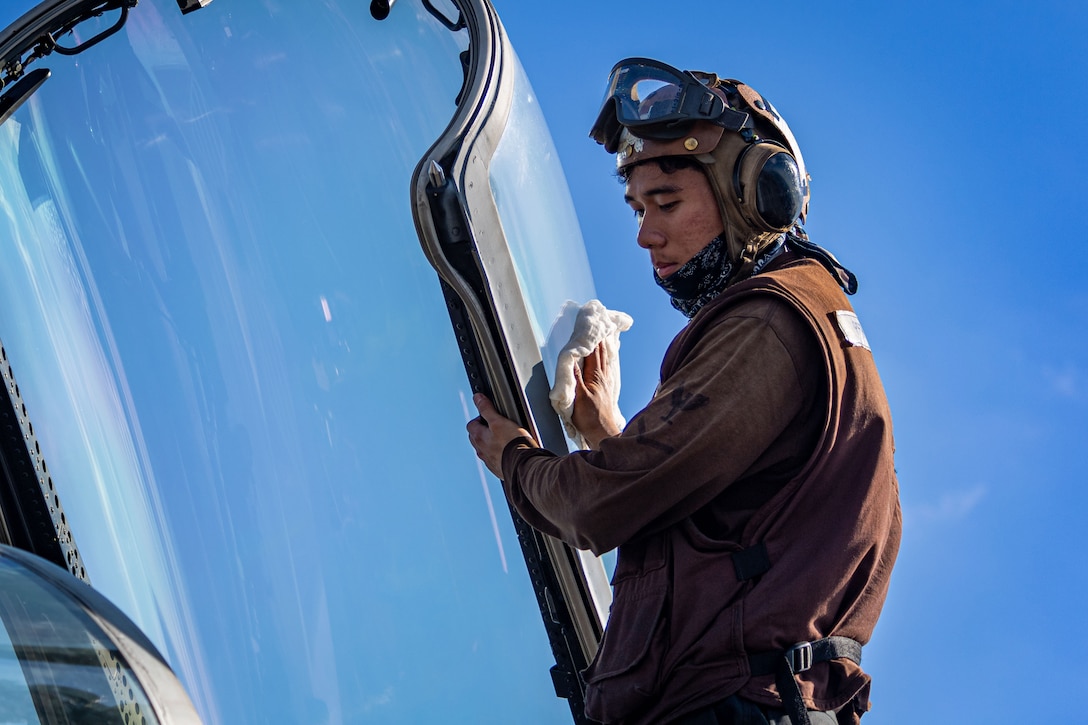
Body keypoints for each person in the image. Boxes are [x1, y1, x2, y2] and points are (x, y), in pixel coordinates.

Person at [467, 58, 901, 725]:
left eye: (666, 202)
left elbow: (596, 507)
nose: (646, 234)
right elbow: (716, 540)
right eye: (638, 208)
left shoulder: (770, 324)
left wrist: (516, 460)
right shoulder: (804, 321)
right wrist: (606, 429)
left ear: (756, 193)